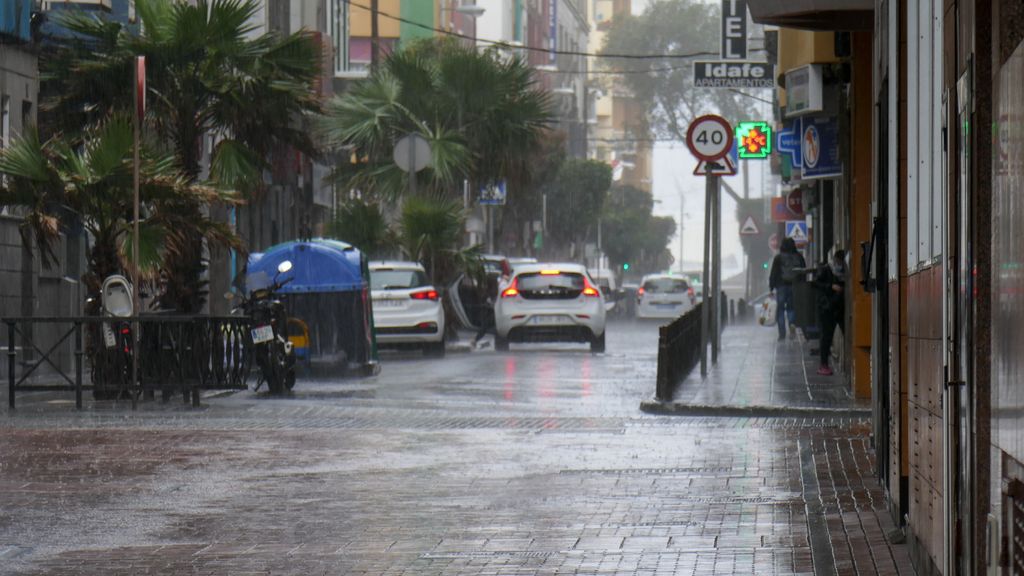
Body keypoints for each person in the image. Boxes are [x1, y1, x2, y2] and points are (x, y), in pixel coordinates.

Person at [813, 249, 847, 375]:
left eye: (841, 263)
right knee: (826, 336)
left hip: (839, 307)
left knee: (846, 333)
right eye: (838, 262)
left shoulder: (845, 273)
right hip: (826, 308)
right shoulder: (826, 269)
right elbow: (815, 283)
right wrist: (830, 286)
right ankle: (823, 365)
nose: (839, 265)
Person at [769, 237, 806, 341]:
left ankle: (782, 334)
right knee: (791, 308)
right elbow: (803, 272)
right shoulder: (799, 256)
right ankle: (792, 324)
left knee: (780, 310)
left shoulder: (778, 258)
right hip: (794, 286)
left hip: (781, 286)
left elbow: (774, 273)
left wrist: (771, 287)